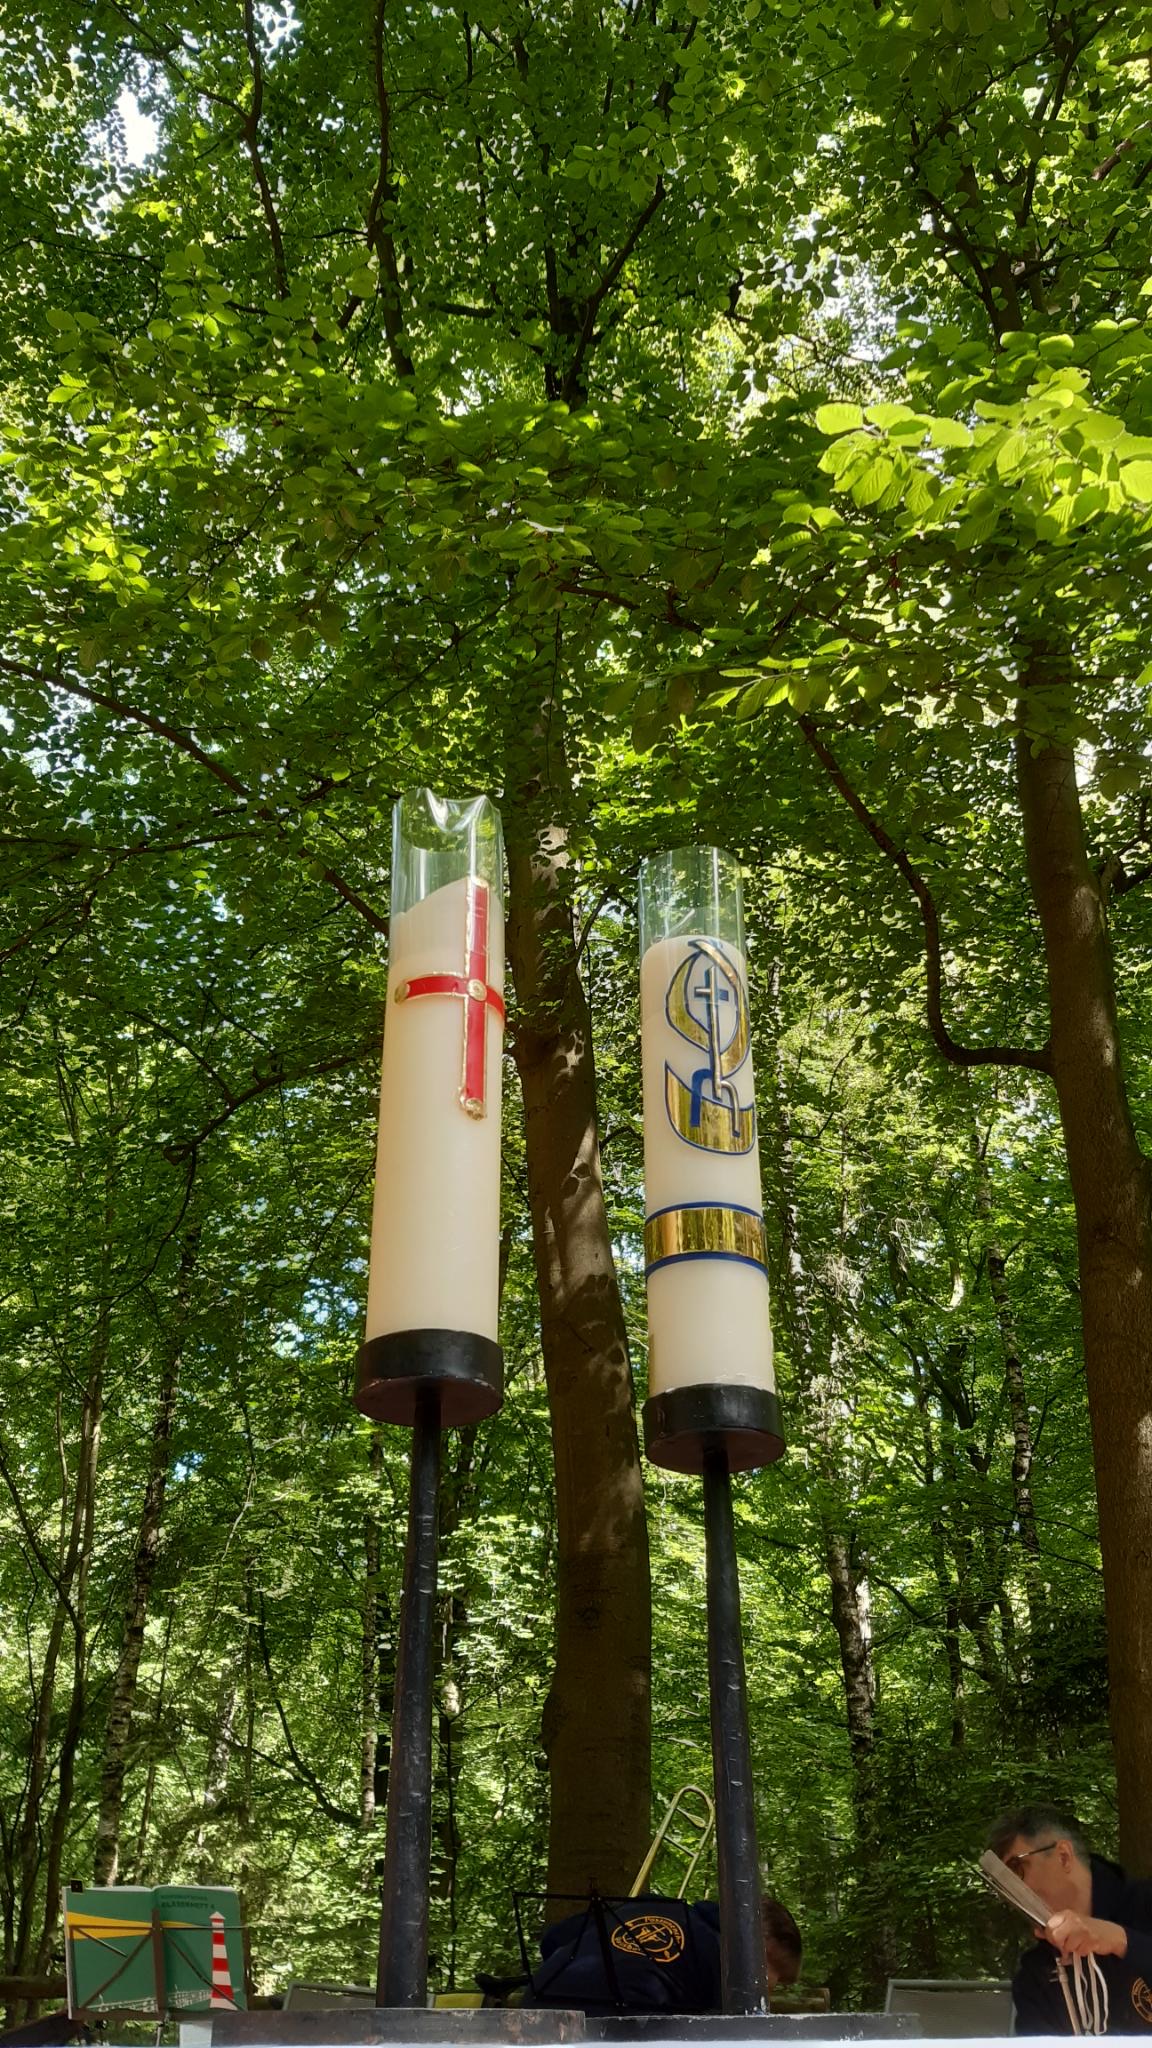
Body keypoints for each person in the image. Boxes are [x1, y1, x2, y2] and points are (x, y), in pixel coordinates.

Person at [987, 1804, 1152, 2034]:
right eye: (1003, 1885)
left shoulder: (1144, 1906)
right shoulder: (1034, 1974)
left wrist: (1120, 1940)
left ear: (1063, 1856)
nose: (1013, 1894)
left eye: (1017, 1869)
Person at [526, 1892, 801, 2014]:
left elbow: (552, 1940)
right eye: (766, 1987)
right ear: (759, 1949)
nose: (763, 1998)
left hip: (533, 2013)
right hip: (606, 2035)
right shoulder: (725, 1966)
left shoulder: (654, 1904)